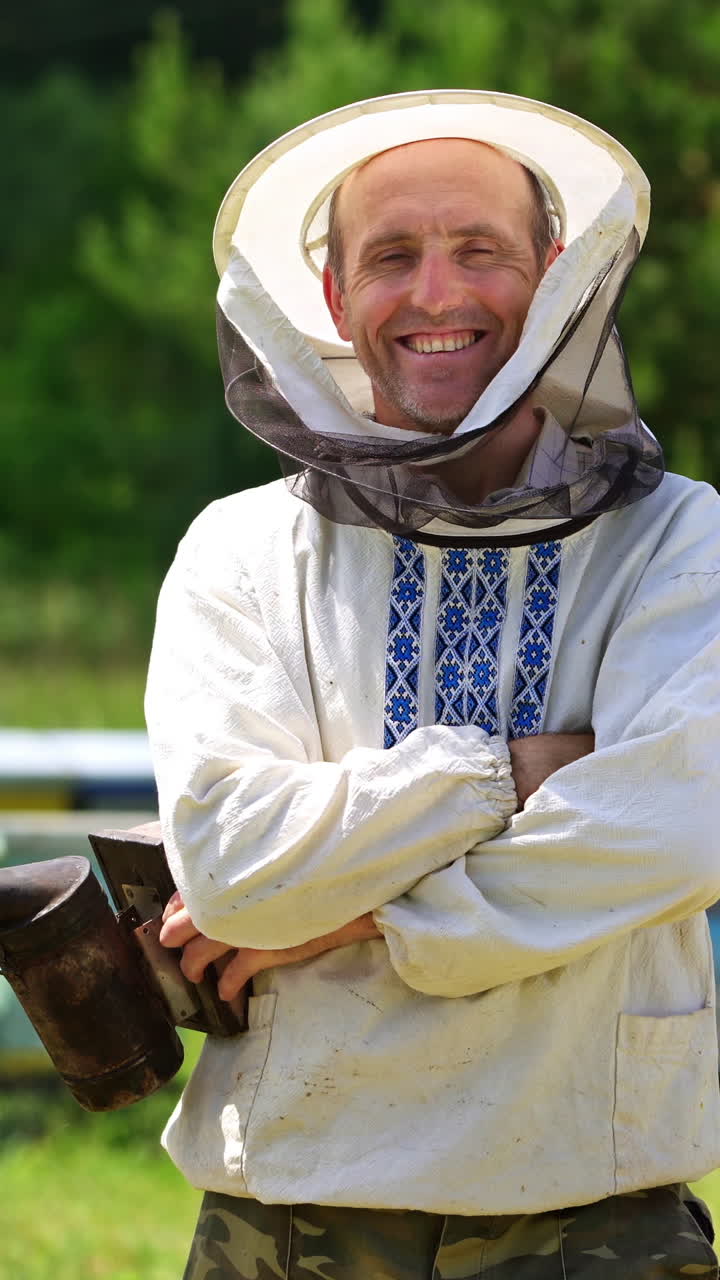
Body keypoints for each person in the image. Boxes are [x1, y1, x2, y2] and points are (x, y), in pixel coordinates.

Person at [146, 91, 720, 1278]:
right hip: (292, 1212)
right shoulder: (236, 551)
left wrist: (356, 910)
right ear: (333, 296)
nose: (438, 294)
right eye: (392, 256)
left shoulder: (683, 542)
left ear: (556, 272)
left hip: (595, 1206)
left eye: (482, 251)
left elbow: (676, 821)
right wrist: (513, 766)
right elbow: (232, 864)